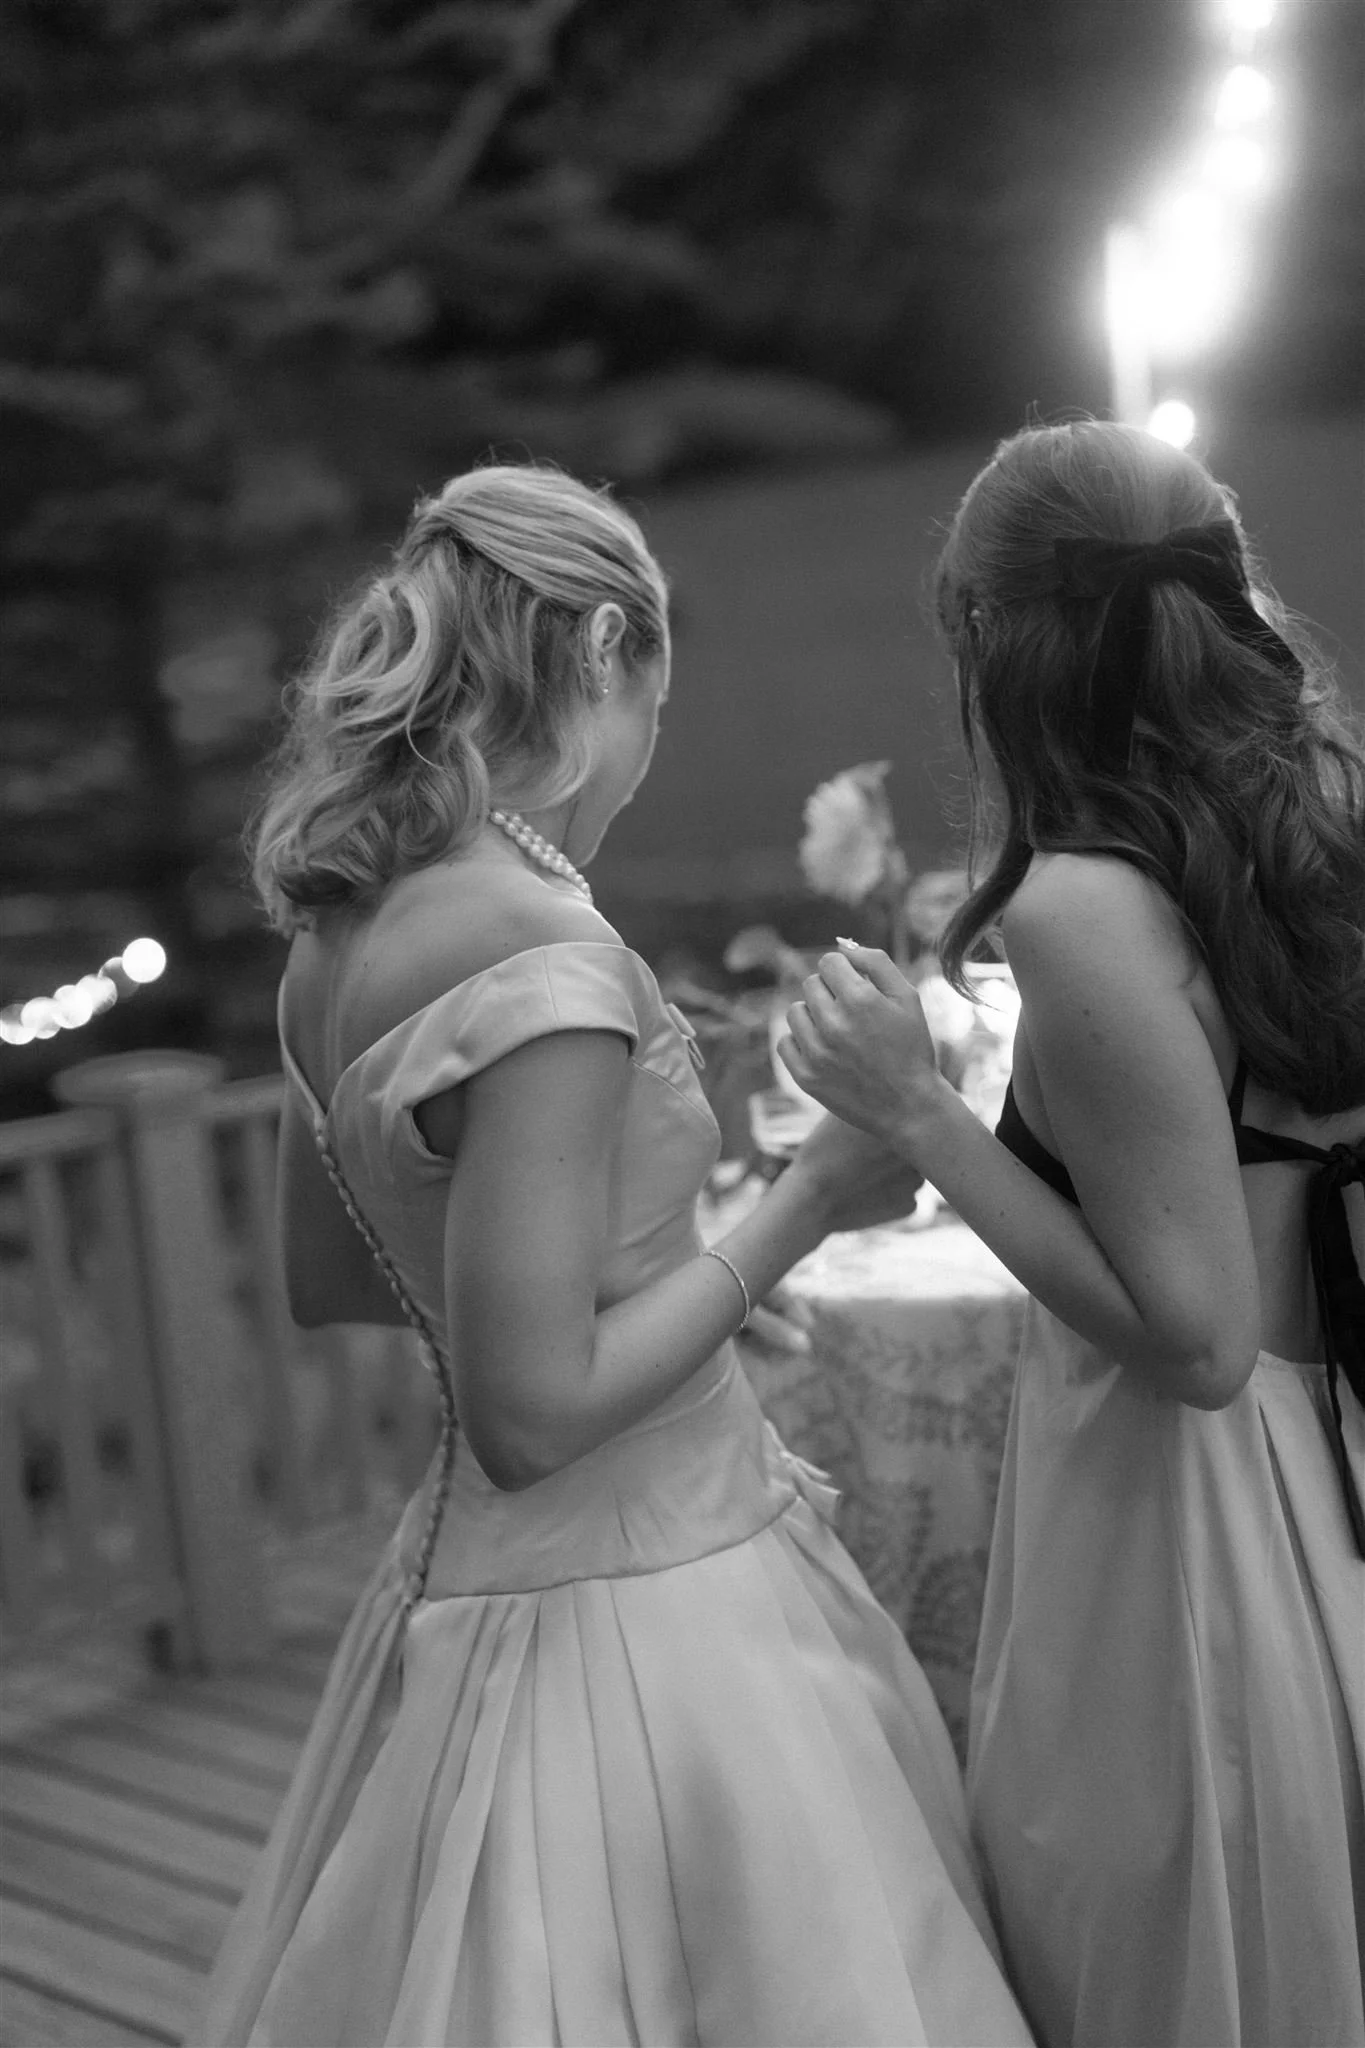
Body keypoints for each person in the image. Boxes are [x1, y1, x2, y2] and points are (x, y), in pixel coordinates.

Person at [195, 461, 1034, 2047]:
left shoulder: (334, 933)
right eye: (658, 693)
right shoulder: (546, 949)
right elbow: (533, 1418)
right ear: (598, 655)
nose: (654, 750)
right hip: (650, 1622)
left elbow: (345, 1273)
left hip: (449, 1606)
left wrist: (670, 1296)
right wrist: (810, 1202)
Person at [779, 419, 1365, 2048]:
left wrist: (920, 1116)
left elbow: (1193, 1338)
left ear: (991, 634)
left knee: (1162, 1964)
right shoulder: (1331, 795)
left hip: (1195, 1533)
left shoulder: (1088, 907)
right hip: (1335, 1443)